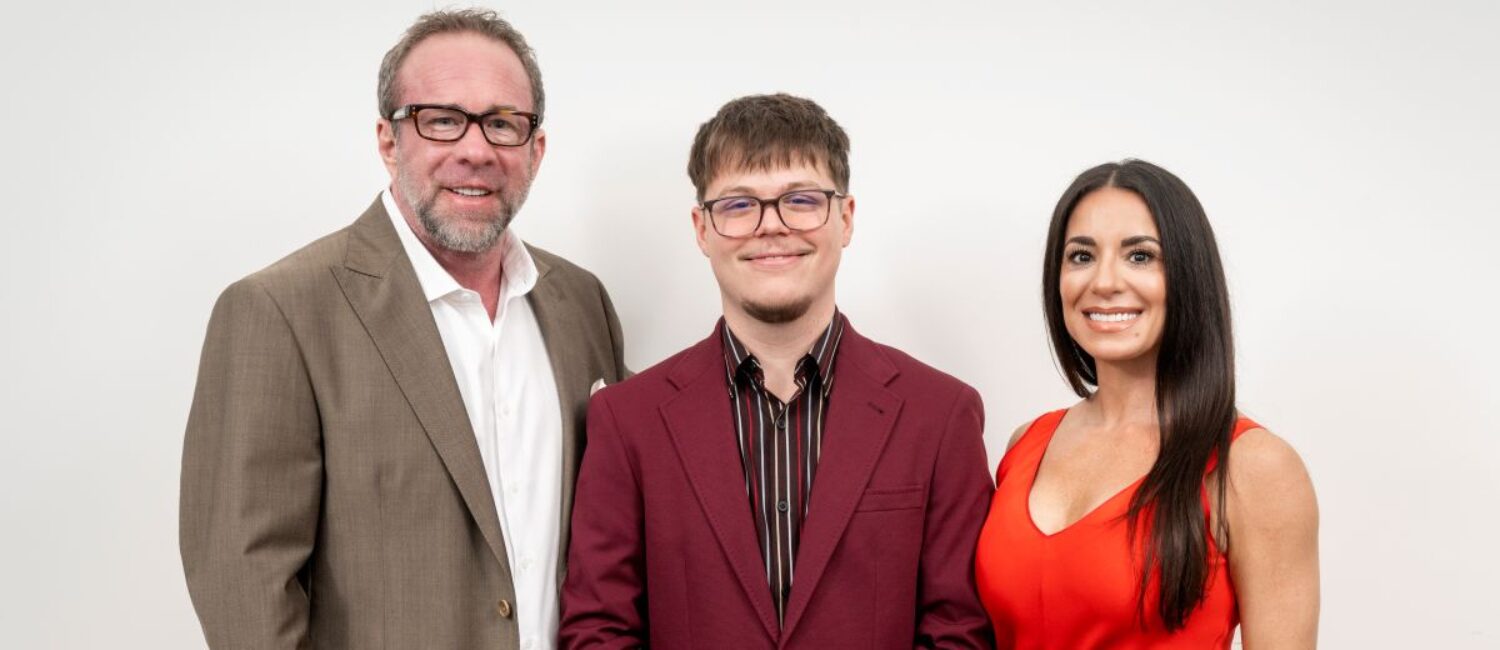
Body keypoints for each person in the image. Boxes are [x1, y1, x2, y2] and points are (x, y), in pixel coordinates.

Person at [179, 9, 627, 649]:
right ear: (389, 142)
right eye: (441, 120)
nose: (476, 150)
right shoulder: (279, 312)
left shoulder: (580, 303)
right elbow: (243, 585)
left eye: (503, 123)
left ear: (536, 149)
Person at [558, 94, 994, 648]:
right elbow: (599, 630)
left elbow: (959, 630)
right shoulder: (626, 420)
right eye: (739, 205)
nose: (772, 227)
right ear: (701, 228)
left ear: (846, 218)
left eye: (801, 200)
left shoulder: (941, 413)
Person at [974, 160, 1319, 648]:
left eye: (1139, 256)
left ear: (1187, 275)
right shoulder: (1026, 443)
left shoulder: (1256, 467)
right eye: (1080, 256)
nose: (1105, 281)